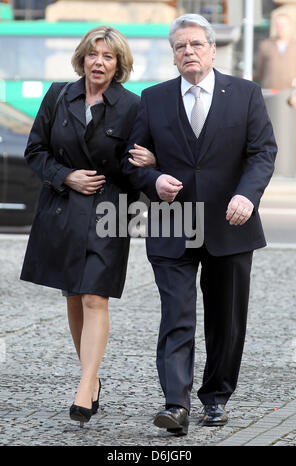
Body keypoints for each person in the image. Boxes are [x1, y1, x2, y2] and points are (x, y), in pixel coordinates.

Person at [121, 14, 277, 435]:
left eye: (194, 44)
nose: (187, 52)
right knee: (177, 315)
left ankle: (216, 398)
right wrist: (153, 179)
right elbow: (131, 162)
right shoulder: (152, 100)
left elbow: (262, 152)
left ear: (211, 49)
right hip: (172, 224)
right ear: (173, 58)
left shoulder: (245, 94)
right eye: (179, 47)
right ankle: (176, 404)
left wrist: (247, 194)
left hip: (231, 222)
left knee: (226, 319)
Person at [20, 25, 155, 428]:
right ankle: (91, 377)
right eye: (94, 54)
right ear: (82, 58)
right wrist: (66, 175)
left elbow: (136, 167)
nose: (99, 62)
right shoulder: (58, 95)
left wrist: (150, 163)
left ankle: (85, 384)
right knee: (74, 297)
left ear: (119, 65)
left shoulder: (133, 106)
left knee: (95, 296)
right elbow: (35, 151)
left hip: (110, 211)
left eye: (108, 56)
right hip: (62, 211)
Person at [255, 13, 296, 90]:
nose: (281, 27)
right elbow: (259, 72)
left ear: (290, 26)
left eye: (284, 24)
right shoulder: (265, 45)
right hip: (270, 91)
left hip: (291, 92)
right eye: (278, 25)